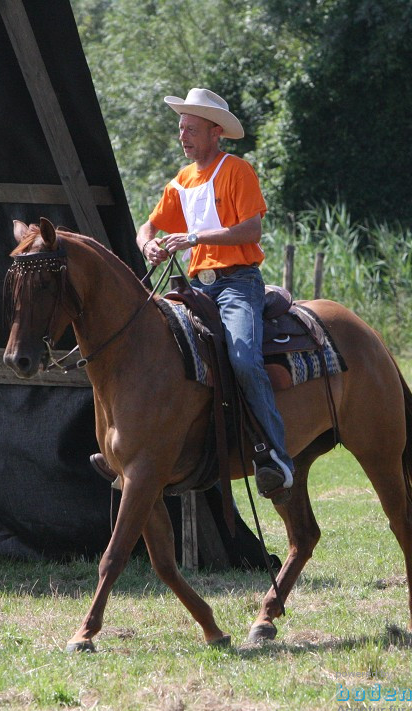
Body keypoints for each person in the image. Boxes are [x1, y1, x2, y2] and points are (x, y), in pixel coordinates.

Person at [137, 87, 294, 499]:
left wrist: (193, 238)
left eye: (191, 128)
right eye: (181, 128)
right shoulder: (181, 181)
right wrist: (147, 244)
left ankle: (276, 457)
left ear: (215, 132)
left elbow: (251, 230)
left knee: (243, 358)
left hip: (238, 282)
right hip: (195, 288)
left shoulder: (236, 170)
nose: (183, 136)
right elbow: (148, 226)